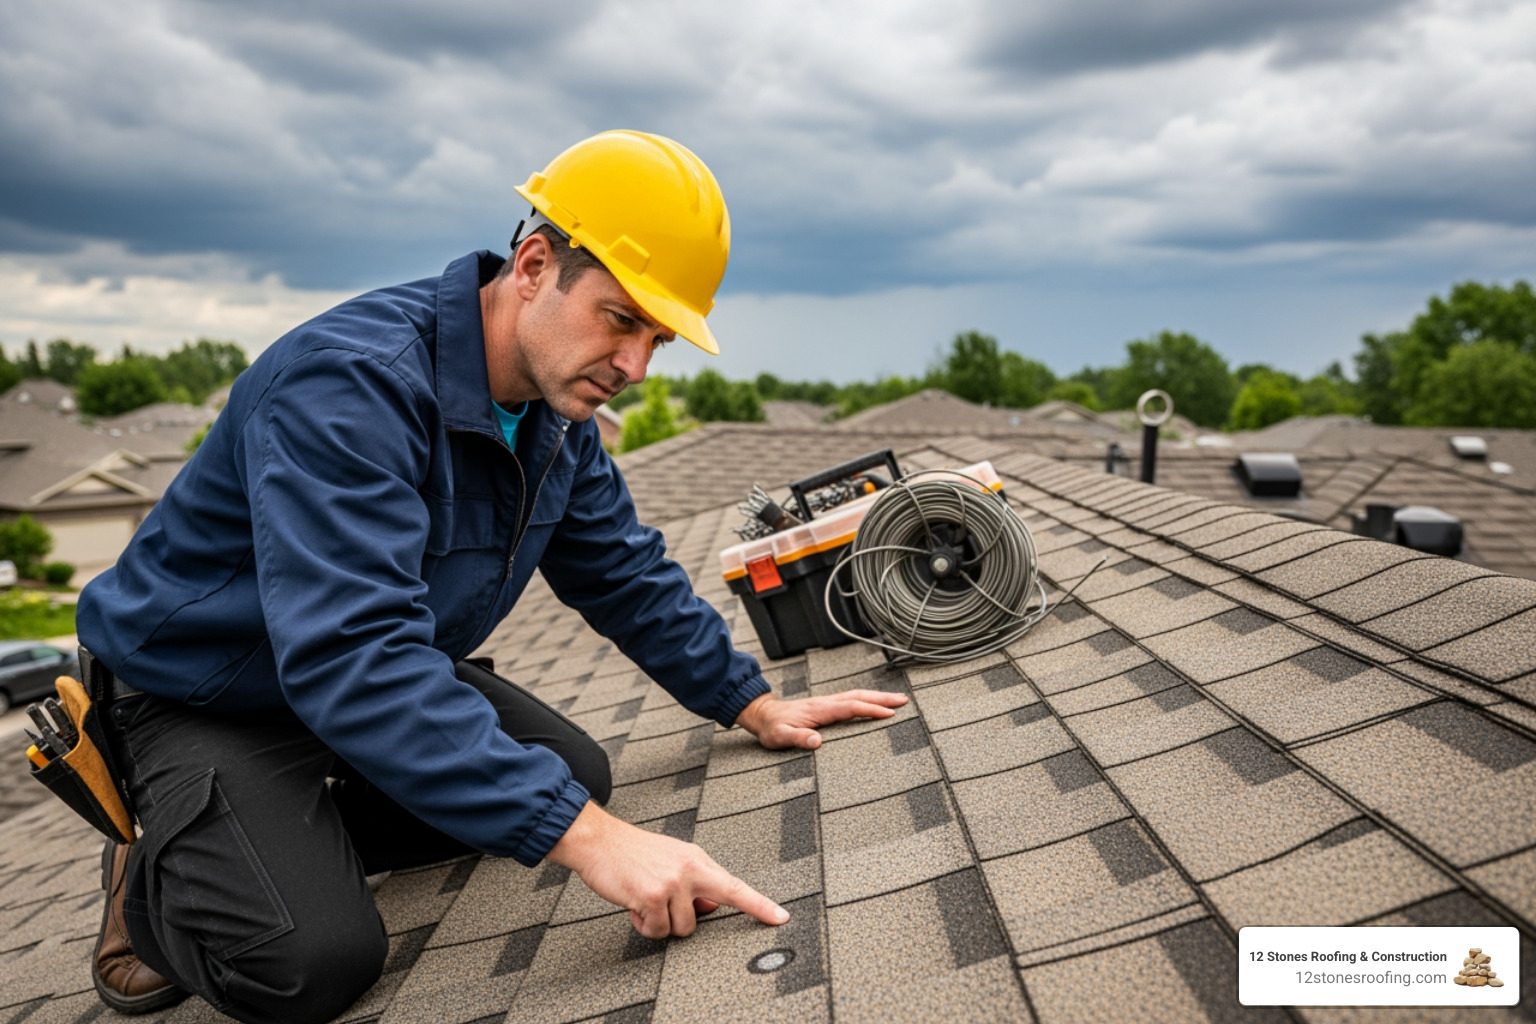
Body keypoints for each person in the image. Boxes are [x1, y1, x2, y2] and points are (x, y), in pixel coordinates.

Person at [75, 131, 906, 1024]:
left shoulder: (555, 415)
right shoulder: (349, 387)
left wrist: (749, 701)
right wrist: (594, 846)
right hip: (205, 694)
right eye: (621, 319)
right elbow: (350, 651)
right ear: (534, 264)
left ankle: (272, 838)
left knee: (569, 775)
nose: (633, 367)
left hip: (354, 678)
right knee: (307, 962)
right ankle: (163, 863)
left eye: (657, 339)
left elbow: (621, 570)